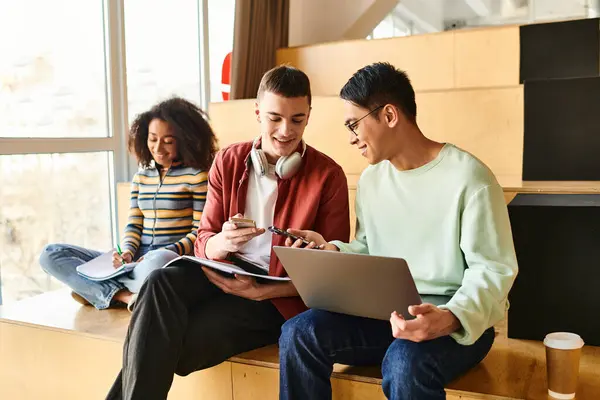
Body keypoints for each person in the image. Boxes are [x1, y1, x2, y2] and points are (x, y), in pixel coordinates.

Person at [106, 65, 350, 399]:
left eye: (297, 119)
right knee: (159, 281)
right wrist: (219, 243)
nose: (284, 130)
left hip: (276, 298)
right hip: (223, 271)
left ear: (309, 115)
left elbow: (335, 276)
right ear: (257, 112)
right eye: (274, 117)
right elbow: (204, 237)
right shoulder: (229, 161)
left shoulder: (329, 176)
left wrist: (266, 292)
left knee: (166, 343)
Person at [278, 62, 519, 400]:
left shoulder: (471, 180)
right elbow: (367, 248)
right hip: (389, 315)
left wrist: (449, 317)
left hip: (458, 323)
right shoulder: (372, 180)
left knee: (404, 362)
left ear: (389, 115)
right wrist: (332, 250)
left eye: (353, 124)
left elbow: (493, 271)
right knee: (298, 333)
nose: (350, 138)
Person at [39, 97, 218, 310]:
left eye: (168, 141)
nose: (158, 148)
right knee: (51, 254)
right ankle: (124, 296)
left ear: (186, 140)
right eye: (153, 139)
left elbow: (198, 233)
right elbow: (134, 226)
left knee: (154, 266)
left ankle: (96, 290)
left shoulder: (197, 177)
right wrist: (127, 253)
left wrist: (161, 252)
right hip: (135, 261)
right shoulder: (141, 178)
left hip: (166, 260)